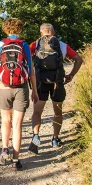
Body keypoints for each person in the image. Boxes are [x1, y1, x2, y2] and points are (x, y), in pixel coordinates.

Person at [28, 23, 83, 154]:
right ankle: (55, 139)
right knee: (57, 112)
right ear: (54, 32)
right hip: (57, 83)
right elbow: (79, 60)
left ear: (41, 33)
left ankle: (36, 137)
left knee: (37, 112)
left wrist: (31, 76)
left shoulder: (35, 45)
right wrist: (70, 75)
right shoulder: (63, 46)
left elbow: (24, 59)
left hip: (41, 83)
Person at [0, 18, 38, 171]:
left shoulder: (0, 44)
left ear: (5, 29)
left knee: (5, 120)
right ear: (20, 29)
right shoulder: (24, 45)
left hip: (3, 87)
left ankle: (5, 149)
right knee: (17, 124)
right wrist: (35, 91)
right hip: (21, 87)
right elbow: (30, 70)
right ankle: (16, 160)